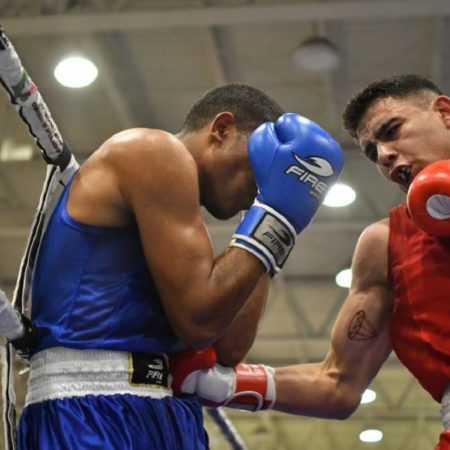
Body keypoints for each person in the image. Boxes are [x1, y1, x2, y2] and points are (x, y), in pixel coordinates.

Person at [14, 83, 344, 449]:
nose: (261, 185)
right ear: (222, 129)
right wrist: (275, 216)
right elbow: (200, 321)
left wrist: (275, 218)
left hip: (159, 411)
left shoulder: (182, 225)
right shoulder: (152, 150)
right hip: (92, 411)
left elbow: (229, 348)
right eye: (261, 168)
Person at [170, 74, 450, 450]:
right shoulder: (385, 244)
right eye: (372, 151)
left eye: (393, 129)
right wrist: (218, 383)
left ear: (445, 114)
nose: (385, 155)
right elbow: (338, 384)